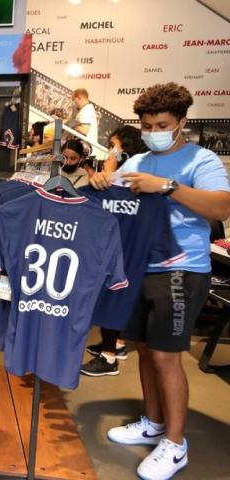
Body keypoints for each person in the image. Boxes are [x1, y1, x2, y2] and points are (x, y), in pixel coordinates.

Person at [90, 82, 230, 480]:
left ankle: (175, 443)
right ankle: (152, 422)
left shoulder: (202, 160)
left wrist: (168, 187)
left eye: (162, 125)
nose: (154, 131)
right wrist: (103, 181)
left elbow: (221, 207)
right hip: (140, 266)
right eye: (147, 125)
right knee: (145, 349)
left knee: (167, 355)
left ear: (182, 121)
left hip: (182, 268)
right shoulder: (138, 160)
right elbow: (115, 195)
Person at [81, 126, 149, 378]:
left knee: (113, 292)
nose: (111, 150)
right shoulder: (132, 166)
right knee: (117, 292)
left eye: (113, 145)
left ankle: (109, 357)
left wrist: (107, 170)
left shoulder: (133, 168)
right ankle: (115, 344)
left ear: (125, 146)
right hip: (125, 240)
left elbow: (113, 186)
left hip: (122, 241)